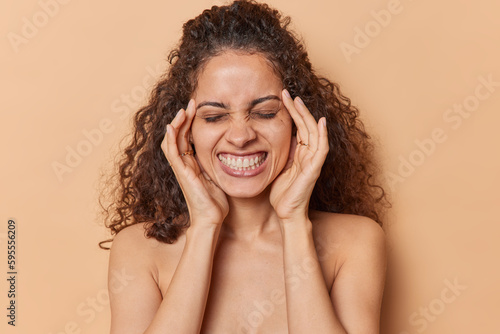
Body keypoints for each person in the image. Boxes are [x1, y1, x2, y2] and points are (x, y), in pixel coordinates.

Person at [100, 1, 390, 333]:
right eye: (214, 116)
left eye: (265, 112)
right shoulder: (139, 250)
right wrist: (205, 226)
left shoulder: (355, 242)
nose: (240, 136)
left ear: (299, 123)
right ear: (185, 132)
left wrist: (294, 221)